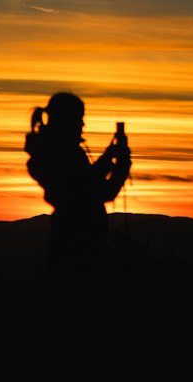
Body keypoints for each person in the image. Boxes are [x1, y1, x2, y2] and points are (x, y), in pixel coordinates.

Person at [25, 92, 131, 276]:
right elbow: (100, 192)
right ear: (68, 118)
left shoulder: (53, 150)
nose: (83, 124)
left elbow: (86, 180)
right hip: (81, 241)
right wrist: (122, 165)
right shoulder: (66, 153)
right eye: (80, 118)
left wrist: (109, 155)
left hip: (66, 235)